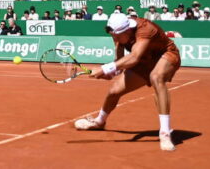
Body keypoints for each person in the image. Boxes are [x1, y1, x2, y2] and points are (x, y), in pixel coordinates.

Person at [74, 12, 182, 153]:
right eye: (113, 35)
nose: (115, 38)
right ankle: (99, 121)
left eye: (117, 36)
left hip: (166, 54)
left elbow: (134, 57)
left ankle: (165, 133)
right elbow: (119, 61)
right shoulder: (117, 32)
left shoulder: (145, 29)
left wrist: (104, 68)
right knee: (114, 91)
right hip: (144, 62)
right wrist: (110, 73)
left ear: (128, 30)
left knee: (156, 77)